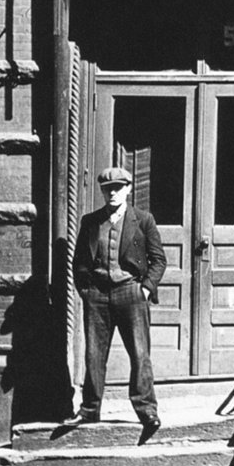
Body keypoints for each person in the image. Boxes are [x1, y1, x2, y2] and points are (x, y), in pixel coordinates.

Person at [72, 165, 165, 441]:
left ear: (128, 189)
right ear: (102, 191)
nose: (112, 193)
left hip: (130, 293)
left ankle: (146, 410)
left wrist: (145, 289)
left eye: (118, 188)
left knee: (139, 354)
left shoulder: (143, 220)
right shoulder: (90, 221)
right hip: (98, 295)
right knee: (94, 355)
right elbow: (79, 262)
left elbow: (158, 260)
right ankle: (90, 409)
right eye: (107, 189)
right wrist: (86, 290)